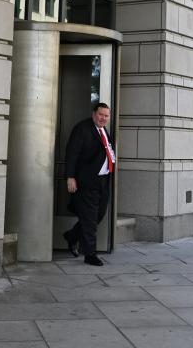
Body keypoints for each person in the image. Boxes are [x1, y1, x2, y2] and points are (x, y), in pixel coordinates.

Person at [63, 102, 116, 265]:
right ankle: (90, 254)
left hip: (103, 181)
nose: (104, 118)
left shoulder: (103, 130)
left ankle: (72, 236)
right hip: (87, 182)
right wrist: (70, 177)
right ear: (94, 114)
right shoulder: (82, 129)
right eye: (101, 115)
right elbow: (72, 153)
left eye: (106, 116)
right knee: (90, 219)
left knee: (98, 214)